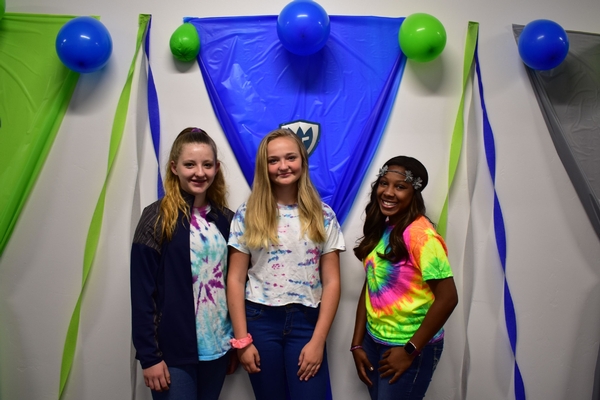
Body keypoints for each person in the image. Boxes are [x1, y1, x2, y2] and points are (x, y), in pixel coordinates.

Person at [227, 128, 345, 400]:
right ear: (264, 166)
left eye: (290, 157)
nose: (283, 166)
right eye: (273, 160)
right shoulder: (247, 214)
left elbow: (332, 281)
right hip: (259, 322)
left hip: (306, 323)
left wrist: (318, 340)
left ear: (302, 161)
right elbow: (234, 279)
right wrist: (242, 341)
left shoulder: (323, 215)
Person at [130, 127, 236, 400]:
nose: (199, 172)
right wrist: (149, 357)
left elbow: (235, 283)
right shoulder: (156, 217)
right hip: (172, 353)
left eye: (207, 164)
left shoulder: (227, 219)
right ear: (175, 167)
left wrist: (235, 343)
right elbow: (142, 294)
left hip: (218, 348)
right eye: (190, 164)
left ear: (217, 168)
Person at [350, 156, 458, 400]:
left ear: (414, 193)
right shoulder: (384, 227)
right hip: (374, 341)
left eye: (400, 187)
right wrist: (358, 342)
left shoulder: (421, 237)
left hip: (407, 347)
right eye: (383, 183)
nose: (388, 193)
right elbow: (372, 287)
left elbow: (448, 298)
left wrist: (409, 351)